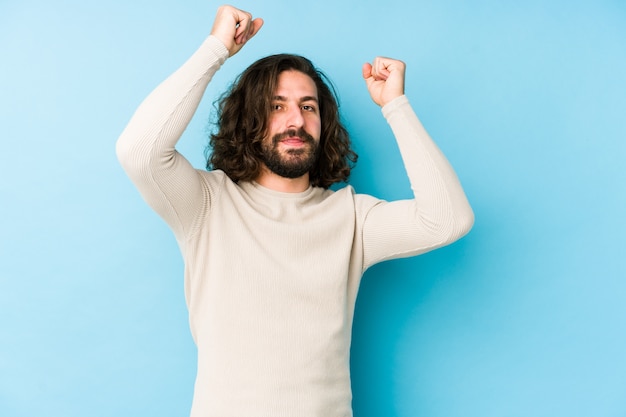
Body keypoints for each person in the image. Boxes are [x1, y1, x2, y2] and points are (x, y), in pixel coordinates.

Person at [116, 5, 474, 417]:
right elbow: (139, 152)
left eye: (308, 107)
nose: (295, 121)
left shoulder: (353, 219)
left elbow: (448, 219)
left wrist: (395, 106)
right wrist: (215, 49)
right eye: (275, 106)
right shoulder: (206, 204)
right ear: (249, 119)